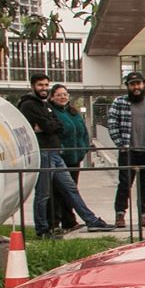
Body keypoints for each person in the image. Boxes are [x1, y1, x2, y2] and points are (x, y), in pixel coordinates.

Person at [17, 72, 113, 236]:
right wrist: (48, 125)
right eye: (40, 85)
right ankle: (42, 229)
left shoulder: (44, 105)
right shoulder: (28, 105)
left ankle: (91, 221)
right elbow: (50, 126)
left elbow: (56, 125)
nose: (44, 88)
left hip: (55, 154)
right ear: (33, 86)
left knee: (71, 189)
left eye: (46, 85)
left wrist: (48, 125)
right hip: (44, 153)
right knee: (44, 194)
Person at [105, 70, 145, 226]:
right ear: (128, 86)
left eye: (138, 83)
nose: (136, 87)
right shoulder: (119, 102)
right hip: (128, 151)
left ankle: (144, 214)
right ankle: (120, 214)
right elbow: (112, 124)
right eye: (132, 84)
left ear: (144, 85)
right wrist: (121, 144)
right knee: (124, 184)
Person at [48, 84, 90, 232]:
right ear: (52, 96)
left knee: (71, 190)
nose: (63, 97)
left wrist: (84, 148)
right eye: (59, 94)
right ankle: (54, 223)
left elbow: (83, 131)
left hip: (75, 157)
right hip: (61, 158)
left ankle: (69, 221)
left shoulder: (73, 113)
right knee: (58, 191)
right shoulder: (51, 112)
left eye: (65, 94)